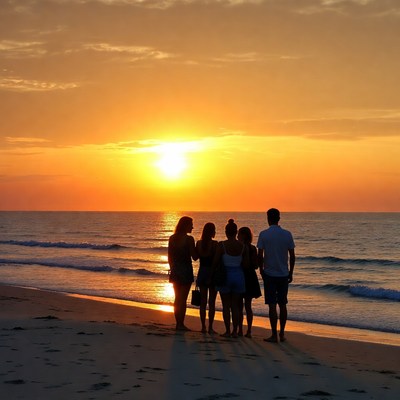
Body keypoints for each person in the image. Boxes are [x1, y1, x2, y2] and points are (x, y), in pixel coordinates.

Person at [257, 208, 295, 343]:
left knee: (272, 304)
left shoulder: (264, 234)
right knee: (283, 304)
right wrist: (291, 272)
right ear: (279, 218)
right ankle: (282, 333)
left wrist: (261, 269)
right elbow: (292, 256)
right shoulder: (287, 234)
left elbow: (260, 255)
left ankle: (274, 334)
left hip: (269, 273)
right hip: (283, 273)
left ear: (268, 218)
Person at [212, 219, 248, 338]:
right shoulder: (243, 246)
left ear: (226, 232)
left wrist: (212, 274)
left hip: (225, 276)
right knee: (236, 306)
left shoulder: (222, 245)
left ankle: (228, 330)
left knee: (226, 305)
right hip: (238, 275)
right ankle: (235, 331)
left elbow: (215, 262)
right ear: (236, 232)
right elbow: (246, 264)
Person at [168, 216, 198, 331]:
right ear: (185, 225)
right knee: (183, 299)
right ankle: (181, 324)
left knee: (177, 298)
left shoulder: (172, 238)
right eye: (191, 225)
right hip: (186, 270)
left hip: (175, 270)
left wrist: (173, 268)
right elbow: (194, 257)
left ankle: (178, 323)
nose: (192, 227)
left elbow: (169, 256)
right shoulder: (189, 239)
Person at [238, 226, 261, 338]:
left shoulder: (241, 248)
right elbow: (256, 265)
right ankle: (248, 330)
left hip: (242, 276)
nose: (237, 236)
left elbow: (246, 264)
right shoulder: (252, 248)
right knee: (247, 305)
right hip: (250, 276)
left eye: (239, 234)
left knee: (240, 305)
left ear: (243, 235)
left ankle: (241, 330)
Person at [195, 223, 218, 334]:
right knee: (212, 302)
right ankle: (210, 327)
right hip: (212, 273)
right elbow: (215, 262)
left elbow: (194, 257)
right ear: (213, 232)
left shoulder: (199, 243)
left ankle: (203, 326)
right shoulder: (215, 244)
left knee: (203, 302)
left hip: (202, 272)